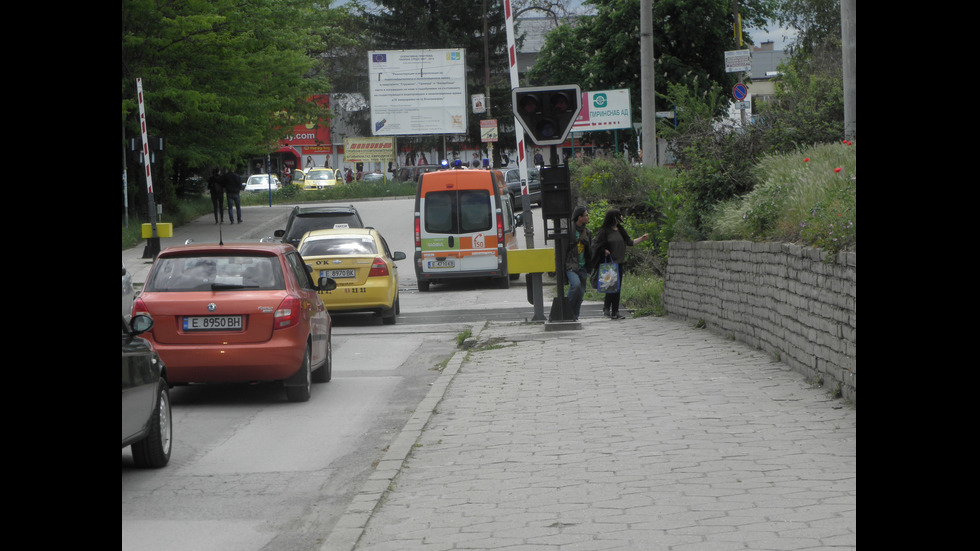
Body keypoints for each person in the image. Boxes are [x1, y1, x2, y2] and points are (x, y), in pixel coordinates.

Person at [591, 208, 648, 319]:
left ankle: (615, 311)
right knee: (610, 287)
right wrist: (604, 251)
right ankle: (607, 309)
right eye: (619, 215)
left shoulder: (620, 230)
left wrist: (642, 239)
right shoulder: (604, 231)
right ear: (614, 217)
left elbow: (630, 242)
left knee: (616, 287)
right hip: (610, 263)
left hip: (619, 263)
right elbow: (596, 245)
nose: (621, 217)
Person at [564, 206, 593, 321]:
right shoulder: (570, 232)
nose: (588, 217)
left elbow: (590, 250)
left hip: (583, 266)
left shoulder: (587, 232)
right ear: (579, 217)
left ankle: (575, 316)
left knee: (580, 294)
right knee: (575, 285)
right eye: (586, 215)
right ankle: (567, 310)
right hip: (571, 265)